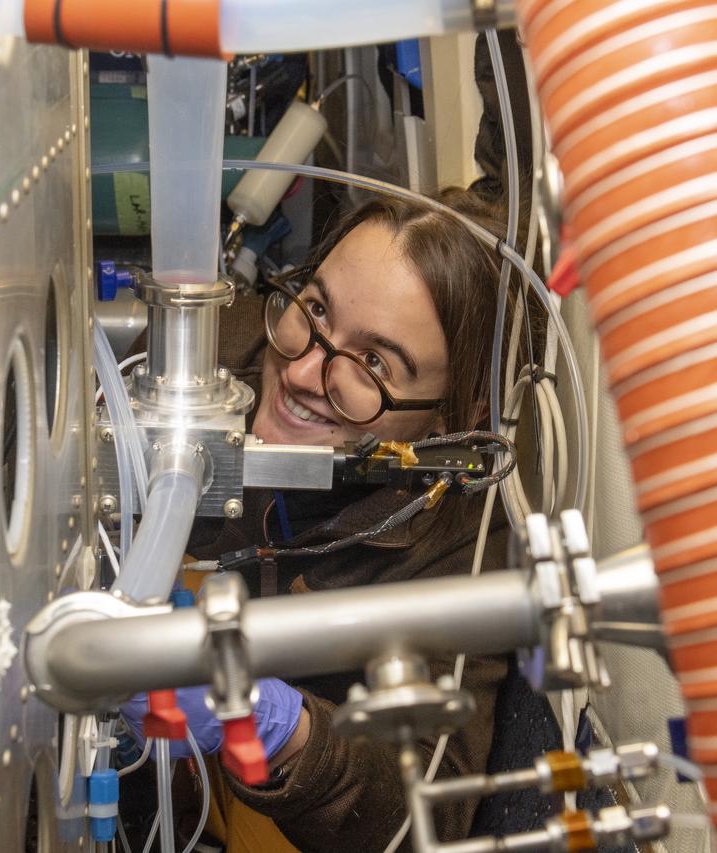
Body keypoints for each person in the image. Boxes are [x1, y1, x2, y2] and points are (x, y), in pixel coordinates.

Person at [120, 187, 546, 852]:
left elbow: (419, 819)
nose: (305, 368)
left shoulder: (463, 543)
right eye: (315, 308)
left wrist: (279, 728)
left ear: (456, 417)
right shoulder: (209, 356)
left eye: (374, 361)